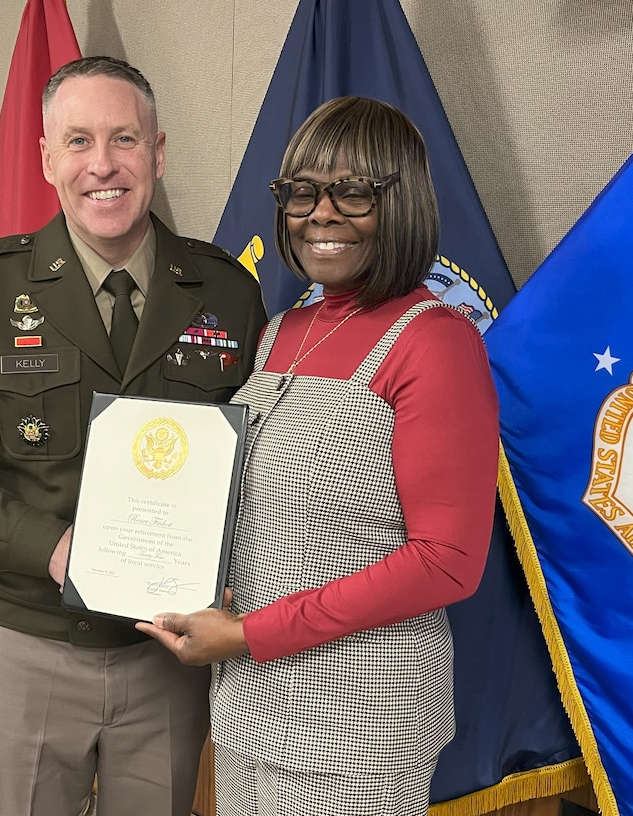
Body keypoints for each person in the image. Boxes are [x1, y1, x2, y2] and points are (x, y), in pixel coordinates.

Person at [0, 56, 267, 816]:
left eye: (125, 139)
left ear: (158, 154)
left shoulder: (228, 292)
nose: (103, 164)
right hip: (28, 644)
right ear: (46, 158)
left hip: (169, 655)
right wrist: (56, 548)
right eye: (79, 141)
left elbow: (254, 467)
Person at [137, 96, 500, 816]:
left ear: (402, 203)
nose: (321, 213)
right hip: (248, 703)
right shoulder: (282, 331)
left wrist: (248, 634)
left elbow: (448, 561)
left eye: (353, 192)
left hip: (360, 723)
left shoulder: (436, 342)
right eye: (302, 191)